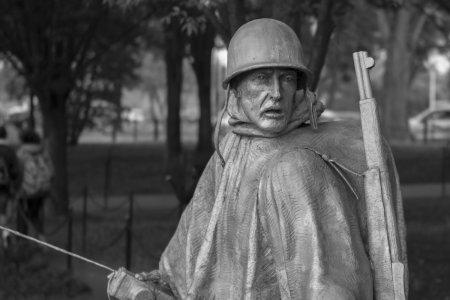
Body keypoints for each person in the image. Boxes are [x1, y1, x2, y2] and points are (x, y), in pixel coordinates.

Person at [111, 18, 407, 300]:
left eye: (286, 79)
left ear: (299, 88)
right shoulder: (230, 151)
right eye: (262, 79)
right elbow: (183, 265)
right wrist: (150, 286)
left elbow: (327, 281)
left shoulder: (319, 153)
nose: (276, 93)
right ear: (236, 90)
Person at [16, 129, 53, 241]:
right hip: (42, 189)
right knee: (36, 214)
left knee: (21, 214)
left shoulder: (21, 153)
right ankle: (41, 240)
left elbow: (18, 172)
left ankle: (22, 242)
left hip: (26, 190)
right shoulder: (43, 152)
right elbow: (52, 172)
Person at [0, 125, 21, 247]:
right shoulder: (10, 150)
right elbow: (15, 171)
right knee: (3, 213)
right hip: (5, 188)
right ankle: (6, 234)